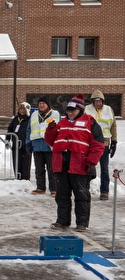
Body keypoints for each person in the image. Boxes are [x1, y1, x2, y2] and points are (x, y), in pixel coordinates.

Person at [45, 94, 105, 232]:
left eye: (73, 110)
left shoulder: (90, 122)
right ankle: (62, 221)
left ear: (80, 110)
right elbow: (50, 141)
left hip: (80, 164)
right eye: (68, 110)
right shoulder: (62, 123)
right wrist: (51, 129)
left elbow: (98, 145)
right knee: (62, 195)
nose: (70, 113)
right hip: (62, 164)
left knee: (81, 195)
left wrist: (91, 161)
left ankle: (82, 223)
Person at [84, 90, 117, 200]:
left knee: (104, 168)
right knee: (88, 167)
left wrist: (114, 142)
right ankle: (84, 188)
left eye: (100, 101)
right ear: (92, 101)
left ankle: (104, 191)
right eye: (96, 101)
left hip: (105, 143)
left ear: (102, 101)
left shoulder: (108, 109)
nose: (98, 103)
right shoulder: (87, 110)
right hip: (91, 143)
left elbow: (113, 126)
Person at [26, 95, 60, 196]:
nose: (41, 105)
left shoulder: (54, 114)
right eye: (40, 104)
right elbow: (29, 129)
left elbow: (59, 129)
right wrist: (28, 142)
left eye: (43, 103)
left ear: (47, 105)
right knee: (39, 168)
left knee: (52, 168)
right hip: (37, 145)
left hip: (49, 146)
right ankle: (40, 187)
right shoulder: (34, 114)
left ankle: (54, 188)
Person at [6, 102, 32, 180]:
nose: (22, 111)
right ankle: (17, 177)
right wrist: (8, 139)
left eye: (23, 109)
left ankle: (25, 178)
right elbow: (10, 129)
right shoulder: (16, 118)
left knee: (25, 163)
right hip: (16, 145)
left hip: (25, 145)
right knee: (17, 162)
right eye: (20, 109)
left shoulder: (30, 119)